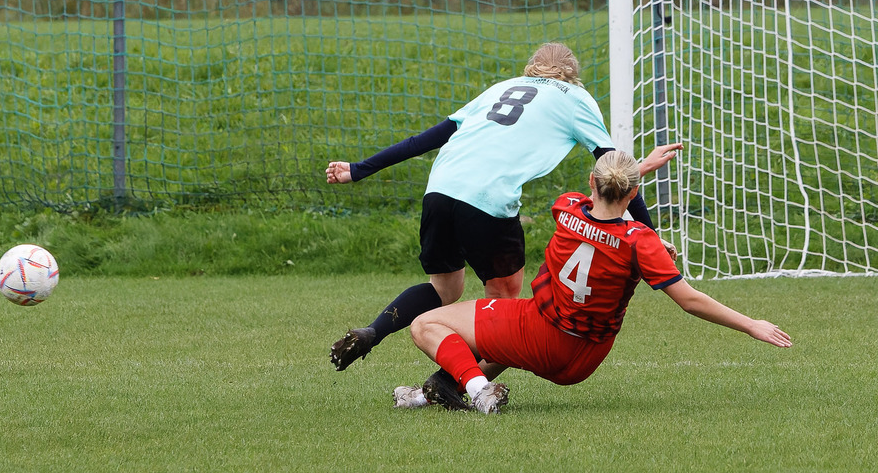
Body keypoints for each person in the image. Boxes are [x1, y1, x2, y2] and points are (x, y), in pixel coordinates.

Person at [326, 42, 682, 372]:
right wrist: (648, 234)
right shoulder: (576, 97)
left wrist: (359, 169)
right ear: (572, 73)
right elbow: (615, 169)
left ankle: (373, 331)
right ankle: (456, 380)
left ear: (532, 68)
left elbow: (428, 138)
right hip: (487, 197)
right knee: (506, 299)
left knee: (444, 289)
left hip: (440, 188)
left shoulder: (503, 87)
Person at [393, 150, 792, 414]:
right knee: (502, 337)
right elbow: (690, 301)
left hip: (542, 332)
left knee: (427, 324)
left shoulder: (566, 207)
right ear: (633, 192)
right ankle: (429, 394)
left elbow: (595, 213)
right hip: (585, 356)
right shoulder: (641, 243)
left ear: (591, 182)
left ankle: (480, 394)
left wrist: (636, 172)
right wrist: (752, 324)